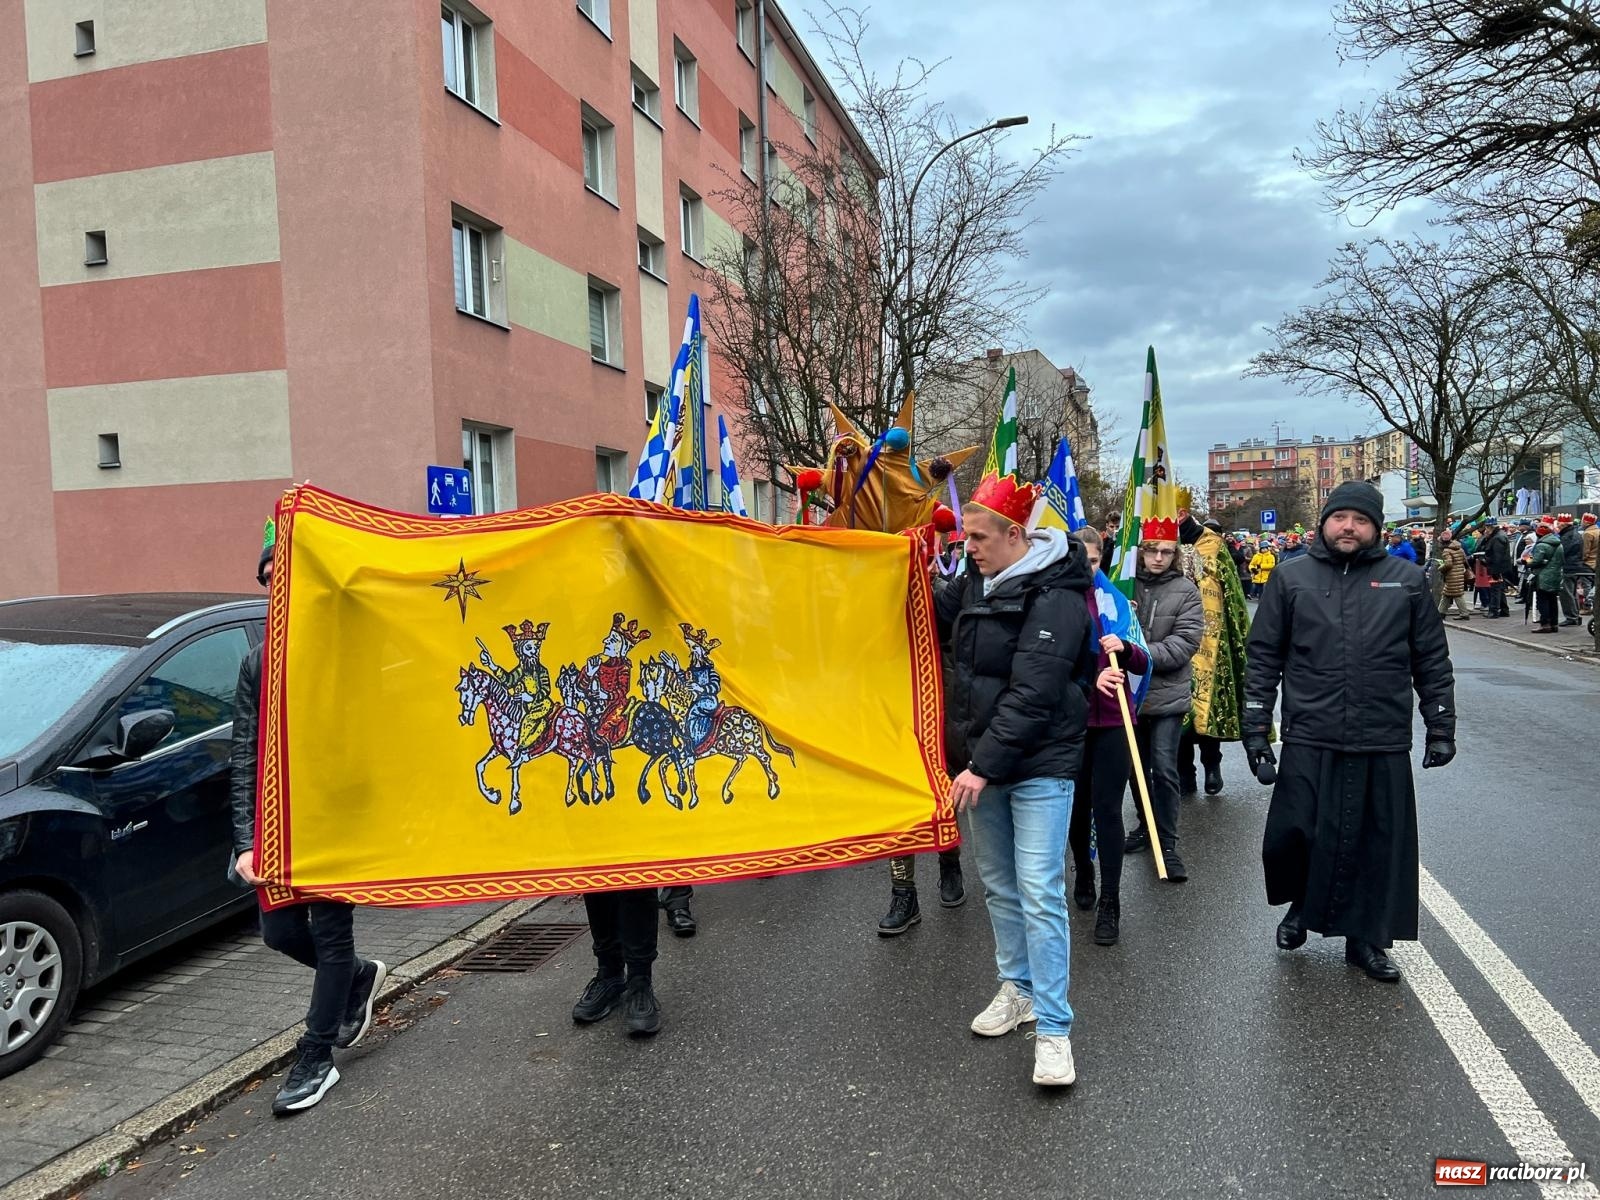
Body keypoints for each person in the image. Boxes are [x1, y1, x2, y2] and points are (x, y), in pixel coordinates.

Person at [1243, 480, 1456, 983]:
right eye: (1340, 517)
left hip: (1380, 735)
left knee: (1377, 844)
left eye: (1361, 520)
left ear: (1376, 528)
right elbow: (1263, 658)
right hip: (1310, 733)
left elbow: (1431, 659)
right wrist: (1256, 729)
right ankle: (1301, 905)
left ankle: (1367, 940)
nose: (1349, 527)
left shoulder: (1406, 580)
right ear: (1324, 522)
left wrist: (1441, 725)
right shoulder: (1290, 579)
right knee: (1294, 835)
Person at [941, 471, 1094, 1087]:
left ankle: (1055, 1030)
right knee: (1000, 886)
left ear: (1014, 533)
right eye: (962, 540)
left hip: (1037, 765)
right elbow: (919, 604)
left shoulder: (1055, 595)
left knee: (1038, 890)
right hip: (987, 764)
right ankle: (1018, 990)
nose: (967, 548)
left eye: (976, 538)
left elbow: (1034, 692)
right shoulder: (976, 579)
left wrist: (981, 765)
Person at [231, 526, 388, 1115]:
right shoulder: (257, 662)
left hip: (336, 818)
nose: (277, 588)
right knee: (280, 933)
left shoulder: (343, 646)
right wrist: (245, 839)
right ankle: (353, 978)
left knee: (329, 932)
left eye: (286, 576)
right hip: (279, 823)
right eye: (268, 580)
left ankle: (316, 1054)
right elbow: (243, 753)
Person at [1066, 527, 1145, 947]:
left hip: (1115, 720)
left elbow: (1141, 655)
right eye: (1080, 560)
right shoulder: (1056, 601)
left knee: (1108, 808)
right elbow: (1049, 666)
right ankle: (1083, 868)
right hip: (1074, 720)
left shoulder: (1116, 600)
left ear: (1102, 561)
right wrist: (1088, 677)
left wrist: (1126, 650)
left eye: (1094, 561)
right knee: (1077, 808)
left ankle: (1111, 900)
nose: (1087, 568)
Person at [1122, 519, 1203, 881]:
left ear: (1175, 555)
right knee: (1134, 769)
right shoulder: (1124, 583)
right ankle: (1145, 826)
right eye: (1151, 550)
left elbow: (1185, 642)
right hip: (1129, 693)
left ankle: (1167, 843)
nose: (1158, 557)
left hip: (1167, 694)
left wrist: (1135, 652)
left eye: (1166, 551)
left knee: (1164, 769)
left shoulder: (1186, 590)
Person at [1176, 514, 1251, 798]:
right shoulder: (1159, 543)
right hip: (1173, 639)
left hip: (1211, 640)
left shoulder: (1213, 545)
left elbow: (1232, 596)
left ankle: (1211, 766)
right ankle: (1185, 773)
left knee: (1208, 712)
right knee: (1176, 712)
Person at [1528, 519, 1565, 634]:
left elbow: (1536, 561)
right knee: (1552, 600)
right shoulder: (1559, 544)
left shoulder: (1542, 545)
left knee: (1542, 600)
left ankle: (1545, 624)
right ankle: (1554, 624)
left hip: (1543, 576)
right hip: (1556, 575)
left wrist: (1527, 561)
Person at [1435, 529, 1471, 620]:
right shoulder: (1459, 548)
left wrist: (1440, 568)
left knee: (1456, 594)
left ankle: (1464, 613)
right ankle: (1441, 613)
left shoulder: (1446, 551)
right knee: (1447, 594)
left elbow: (1448, 564)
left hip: (1452, 576)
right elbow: (1464, 560)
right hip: (1459, 574)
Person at [1557, 514, 1586, 626]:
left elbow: (1563, 551)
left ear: (1564, 524)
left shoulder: (1569, 536)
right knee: (1572, 593)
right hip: (1574, 566)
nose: (1558, 526)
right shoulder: (1572, 534)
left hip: (1569, 567)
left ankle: (1571, 617)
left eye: (1559, 523)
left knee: (1567, 593)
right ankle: (1574, 616)